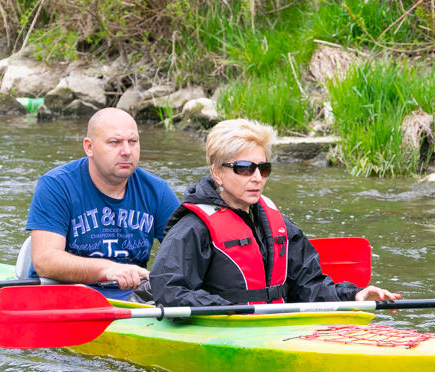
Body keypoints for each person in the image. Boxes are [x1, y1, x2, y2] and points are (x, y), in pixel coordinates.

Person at [150, 118, 400, 307]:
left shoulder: (277, 224)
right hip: (225, 329)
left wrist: (353, 294)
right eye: (245, 168)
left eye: (264, 168)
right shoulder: (193, 228)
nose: (257, 178)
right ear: (218, 173)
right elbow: (169, 290)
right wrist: (225, 311)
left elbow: (307, 283)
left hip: (272, 327)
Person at [26, 107, 180, 301]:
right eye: (114, 142)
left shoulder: (157, 191)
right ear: (89, 147)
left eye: (133, 142)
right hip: (63, 294)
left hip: (133, 299)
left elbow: (187, 253)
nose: (126, 151)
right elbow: (45, 260)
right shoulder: (56, 185)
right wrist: (108, 269)